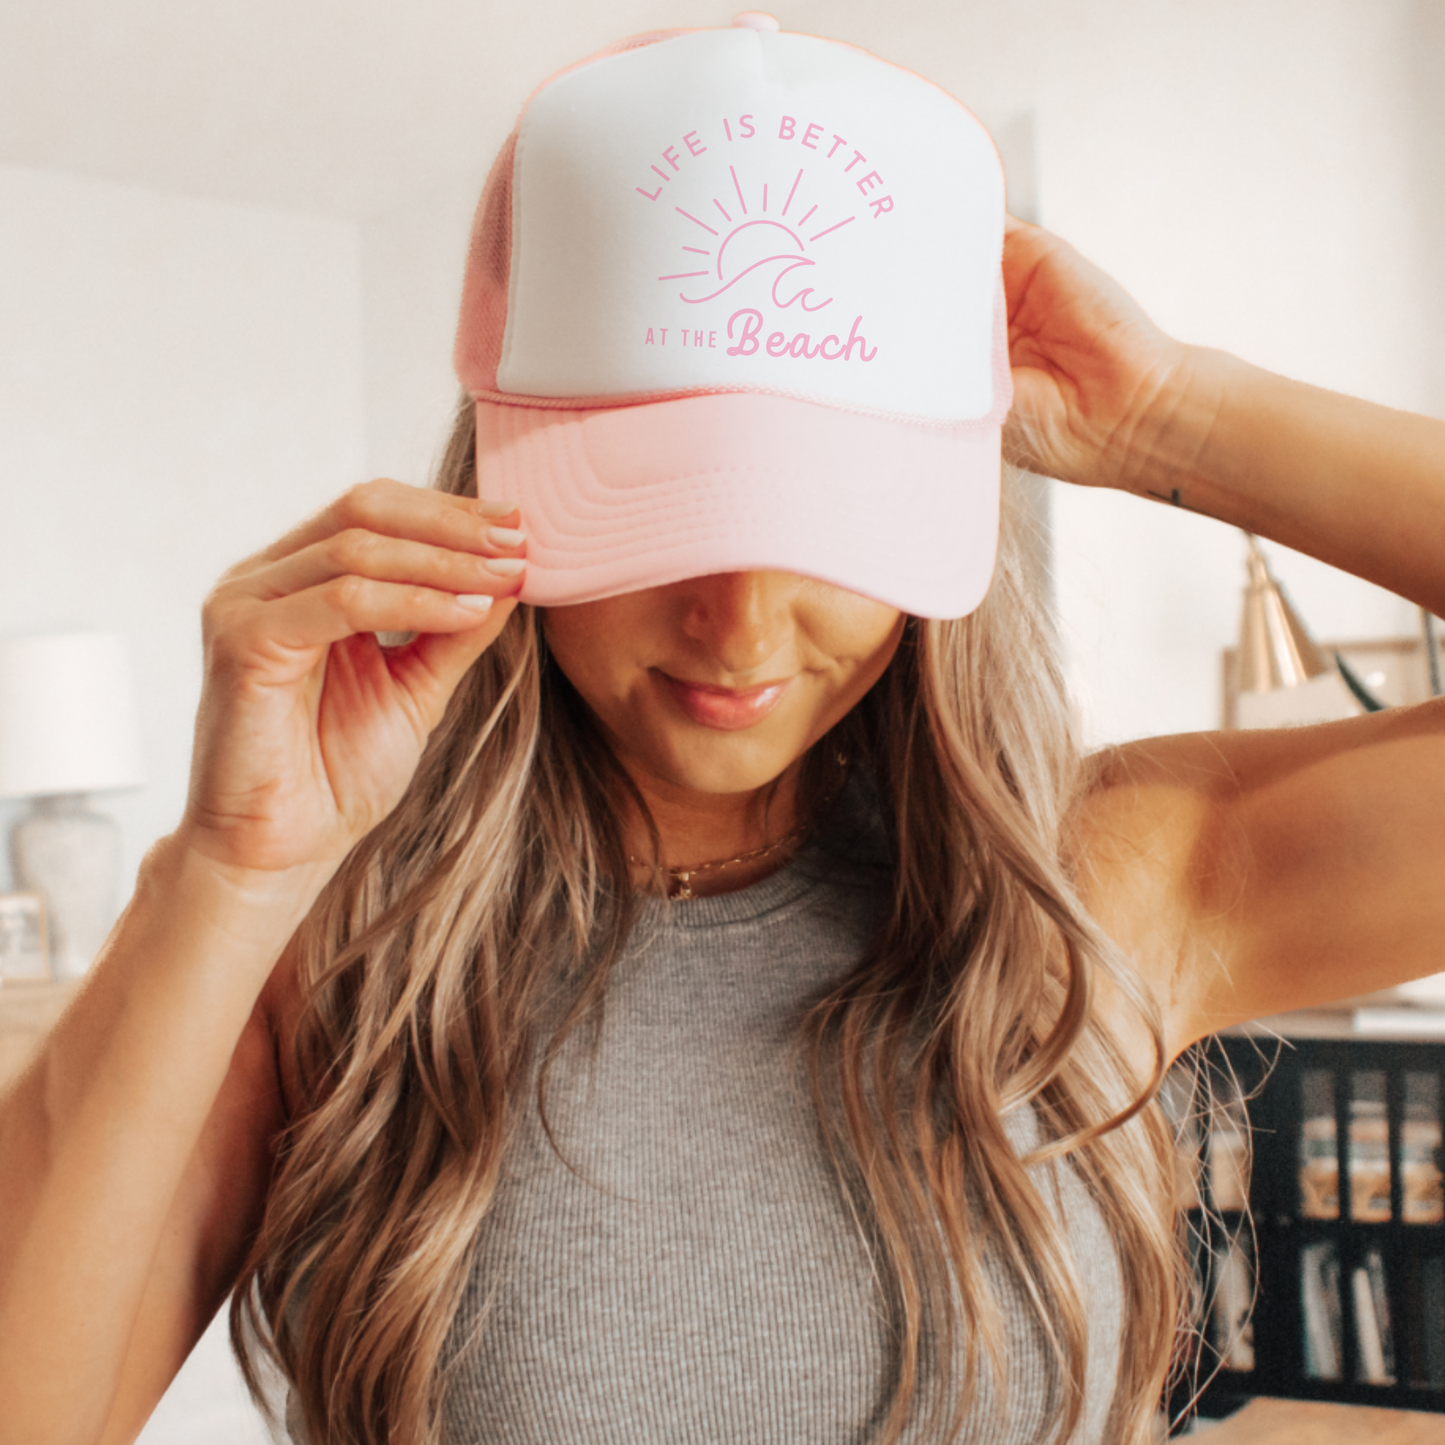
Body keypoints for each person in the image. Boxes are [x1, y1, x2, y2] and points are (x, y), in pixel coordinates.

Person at [4, 16, 1445, 1445]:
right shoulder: (354, 951)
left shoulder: (1094, 894)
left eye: (827, 526)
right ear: (508, 476)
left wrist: (1179, 417)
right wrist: (229, 866)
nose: (742, 631)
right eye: (661, 511)